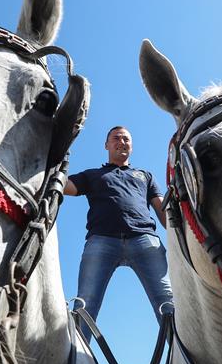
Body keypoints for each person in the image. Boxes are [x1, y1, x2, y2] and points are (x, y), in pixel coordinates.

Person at [64, 126, 173, 341]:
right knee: (85, 303)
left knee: (168, 302)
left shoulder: (145, 176)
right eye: (116, 138)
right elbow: (65, 186)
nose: (121, 141)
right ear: (106, 145)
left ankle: (183, 360)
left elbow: (165, 216)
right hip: (101, 241)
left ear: (131, 146)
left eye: (126, 139)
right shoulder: (92, 175)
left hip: (144, 239)